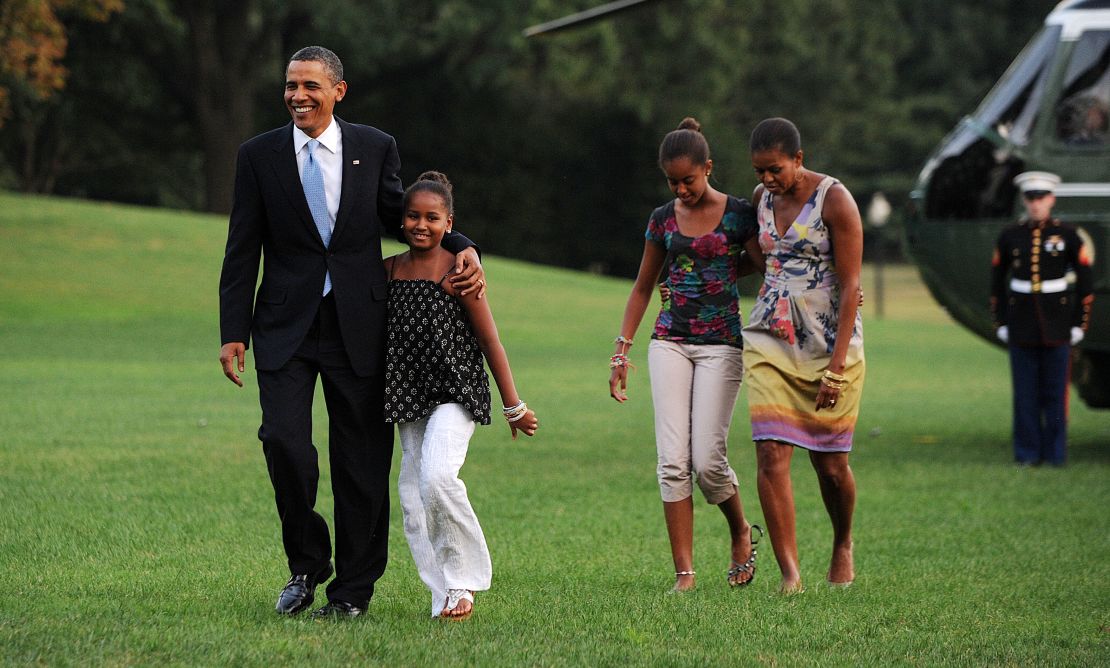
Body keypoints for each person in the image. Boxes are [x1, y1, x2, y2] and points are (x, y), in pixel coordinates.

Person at [218, 46, 485, 619]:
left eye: (311, 85)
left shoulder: (373, 147)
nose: (298, 96)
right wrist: (232, 330)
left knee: (360, 462)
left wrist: (463, 246)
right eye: (291, 85)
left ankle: (352, 592)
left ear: (339, 90)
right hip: (283, 326)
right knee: (285, 445)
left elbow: (405, 216)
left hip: (360, 325)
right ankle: (307, 564)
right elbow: (241, 248)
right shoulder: (258, 156)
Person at [609, 117, 762, 593]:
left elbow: (769, 265)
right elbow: (642, 287)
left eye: (688, 180)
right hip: (669, 341)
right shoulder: (662, 219)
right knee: (672, 461)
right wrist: (621, 350)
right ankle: (685, 574)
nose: (681, 189)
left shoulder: (738, 214)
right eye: (673, 182)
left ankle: (740, 530)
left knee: (708, 462)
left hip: (722, 346)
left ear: (708, 168)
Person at [384, 171, 539, 621]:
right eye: (413, 216)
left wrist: (514, 406)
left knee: (436, 477)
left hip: (456, 394)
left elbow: (491, 342)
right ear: (401, 220)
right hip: (409, 397)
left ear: (449, 223)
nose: (421, 225)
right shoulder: (390, 271)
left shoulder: (460, 273)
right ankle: (443, 596)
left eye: (432, 217)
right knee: (412, 499)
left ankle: (464, 581)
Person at [742, 117, 864, 594]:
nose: (767, 181)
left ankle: (842, 542)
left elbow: (853, 284)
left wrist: (837, 367)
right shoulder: (760, 201)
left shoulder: (836, 200)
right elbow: (759, 259)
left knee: (831, 466)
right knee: (771, 452)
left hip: (830, 341)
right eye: (759, 172)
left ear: (799, 158)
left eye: (775, 170)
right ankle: (790, 573)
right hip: (771, 337)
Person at [990, 171, 1094, 467]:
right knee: (1025, 394)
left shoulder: (1069, 235)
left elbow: (1085, 283)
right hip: (1021, 324)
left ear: (1051, 199)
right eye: (1030, 198)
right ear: (1024, 201)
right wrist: (1001, 323)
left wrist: (1078, 324)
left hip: (1057, 324)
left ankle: (1056, 453)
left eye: (1041, 198)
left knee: (1055, 394)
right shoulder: (1011, 235)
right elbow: (997, 281)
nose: (1035, 204)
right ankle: (1027, 454)